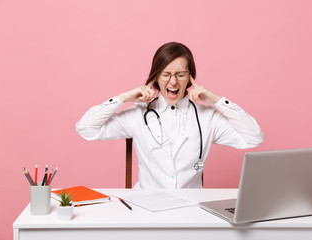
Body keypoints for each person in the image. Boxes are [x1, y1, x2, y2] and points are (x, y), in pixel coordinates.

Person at [76, 42, 264, 188]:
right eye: (166, 74)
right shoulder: (138, 115)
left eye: (180, 75)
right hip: (147, 208)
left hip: (191, 209)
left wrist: (216, 99)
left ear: (190, 77)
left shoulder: (207, 117)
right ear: (156, 77)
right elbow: (86, 128)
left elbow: (253, 137)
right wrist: (124, 97)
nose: (173, 82)